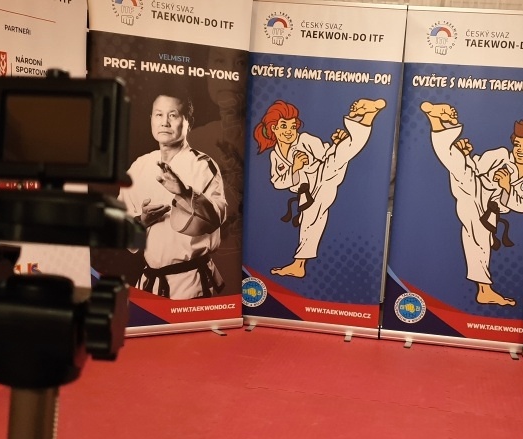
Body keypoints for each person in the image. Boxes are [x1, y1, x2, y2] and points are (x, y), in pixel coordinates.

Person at [420, 101, 523, 306]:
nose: (520, 150)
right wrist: (466, 155)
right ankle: (442, 123)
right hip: (476, 188)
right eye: (517, 144)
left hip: (489, 209)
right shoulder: (500, 155)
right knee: (460, 168)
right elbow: (475, 167)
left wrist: (507, 187)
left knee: (479, 236)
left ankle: (437, 123)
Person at [253, 98, 386, 278]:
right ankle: (299, 265)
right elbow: (278, 182)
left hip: (322, 174)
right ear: (273, 128)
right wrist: (295, 168)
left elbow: (325, 154)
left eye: (292, 126)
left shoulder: (305, 140)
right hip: (306, 191)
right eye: (283, 126)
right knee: (310, 221)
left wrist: (336, 144)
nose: (289, 131)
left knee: (340, 156)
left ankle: (365, 117)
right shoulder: (275, 155)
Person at [118, 89, 227, 299]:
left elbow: (216, 219)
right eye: (159, 114)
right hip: (150, 283)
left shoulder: (202, 166)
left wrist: (185, 193)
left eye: (173, 115)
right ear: (151, 119)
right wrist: (142, 221)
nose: (164, 122)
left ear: (189, 122)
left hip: (191, 282)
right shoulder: (140, 166)